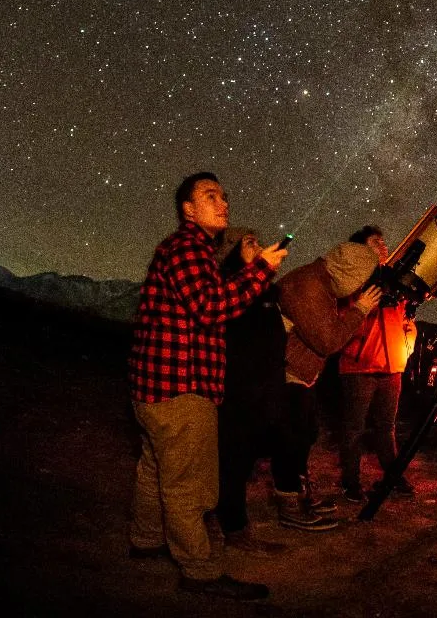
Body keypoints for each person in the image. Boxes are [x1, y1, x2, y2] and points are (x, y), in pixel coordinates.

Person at [128, 171, 286, 599]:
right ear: (188, 209)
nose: (223, 203)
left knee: (155, 469)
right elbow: (211, 307)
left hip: (156, 390)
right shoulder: (187, 247)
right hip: (180, 389)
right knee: (189, 486)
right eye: (210, 195)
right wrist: (261, 271)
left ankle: (146, 539)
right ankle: (199, 568)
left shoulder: (186, 251)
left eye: (224, 196)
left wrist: (251, 270)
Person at [272, 241, 382, 529]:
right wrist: (361, 309)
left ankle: (299, 496)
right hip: (287, 372)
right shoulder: (310, 288)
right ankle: (290, 507)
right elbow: (328, 341)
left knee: (305, 434)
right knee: (291, 440)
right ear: (350, 274)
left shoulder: (320, 280)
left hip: (299, 372)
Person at [214, 227, 287, 555]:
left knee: (243, 460)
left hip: (261, 388)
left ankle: (229, 521)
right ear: (231, 252)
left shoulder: (264, 290)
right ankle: (234, 528)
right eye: (249, 243)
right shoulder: (231, 288)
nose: (258, 246)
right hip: (238, 389)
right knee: (232, 460)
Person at [337, 225, 417, 501]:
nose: (383, 245)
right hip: (359, 365)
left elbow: (407, 321)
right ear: (361, 249)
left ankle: (393, 476)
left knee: (387, 427)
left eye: (383, 241)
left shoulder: (396, 281)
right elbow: (342, 318)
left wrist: (407, 347)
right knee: (354, 428)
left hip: (392, 366)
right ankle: (350, 482)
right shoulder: (350, 280)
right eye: (375, 242)